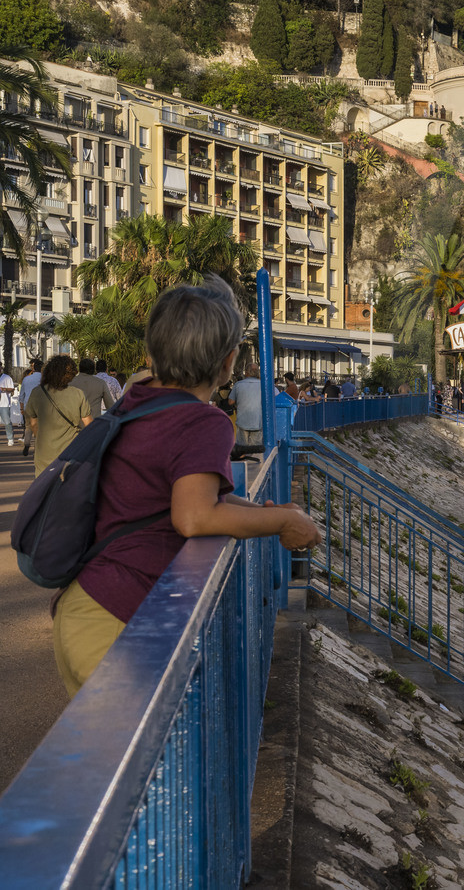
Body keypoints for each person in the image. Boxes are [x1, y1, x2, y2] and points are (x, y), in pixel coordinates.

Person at [52, 278, 322, 697]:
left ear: (155, 349)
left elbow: (186, 496)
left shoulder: (139, 399)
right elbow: (194, 516)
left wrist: (274, 514)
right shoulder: (203, 421)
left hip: (85, 607)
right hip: (115, 620)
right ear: (229, 361)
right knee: (139, 761)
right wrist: (283, 526)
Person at [26, 354, 90, 475]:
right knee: (68, 487)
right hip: (70, 451)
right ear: (70, 375)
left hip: (44, 451)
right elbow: (89, 425)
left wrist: (40, 437)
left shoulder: (37, 392)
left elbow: (33, 423)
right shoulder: (78, 394)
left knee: (43, 486)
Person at [233, 362, 263, 456]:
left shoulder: (238, 384)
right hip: (257, 421)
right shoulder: (262, 385)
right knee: (255, 449)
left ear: (246, 372)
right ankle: (256, 467)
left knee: (242, 448)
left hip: (242, 420)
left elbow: (230, 401)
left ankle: (243, 466)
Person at [19, 357, 41, 456]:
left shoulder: (26, 379)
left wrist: (21, 407)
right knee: (39, 428)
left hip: (27, 405)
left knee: (28, 427)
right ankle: (37, 449)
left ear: (33, 368)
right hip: (41, 406)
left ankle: (27, 444)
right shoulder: (44, 379)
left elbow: (21, 395)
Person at [0, 364, 15, 446]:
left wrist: (3, 389)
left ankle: (10, 439)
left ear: (1, 368)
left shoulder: (7, 377)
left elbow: (12, 389)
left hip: (4, 403)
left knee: (7, 422)